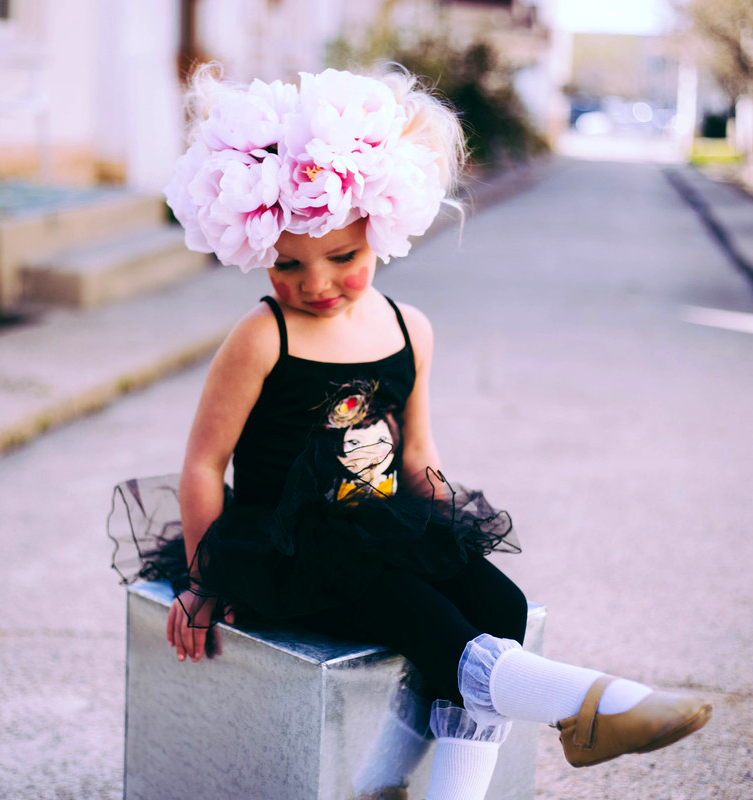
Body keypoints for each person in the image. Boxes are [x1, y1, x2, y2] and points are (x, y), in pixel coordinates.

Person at [109, 64, 710, 800]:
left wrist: (445, 536)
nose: (315, 283)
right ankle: (598, 702)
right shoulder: (262, 336)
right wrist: (206, 580)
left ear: (382, 232)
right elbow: (205, 464)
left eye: (343, 258)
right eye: (287, 264)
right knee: (420, 617)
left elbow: (417, 453)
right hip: (286, 548)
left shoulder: (407, 329)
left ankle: (394, 782)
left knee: (502, 610)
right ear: (258, 246)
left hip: (378, 525)